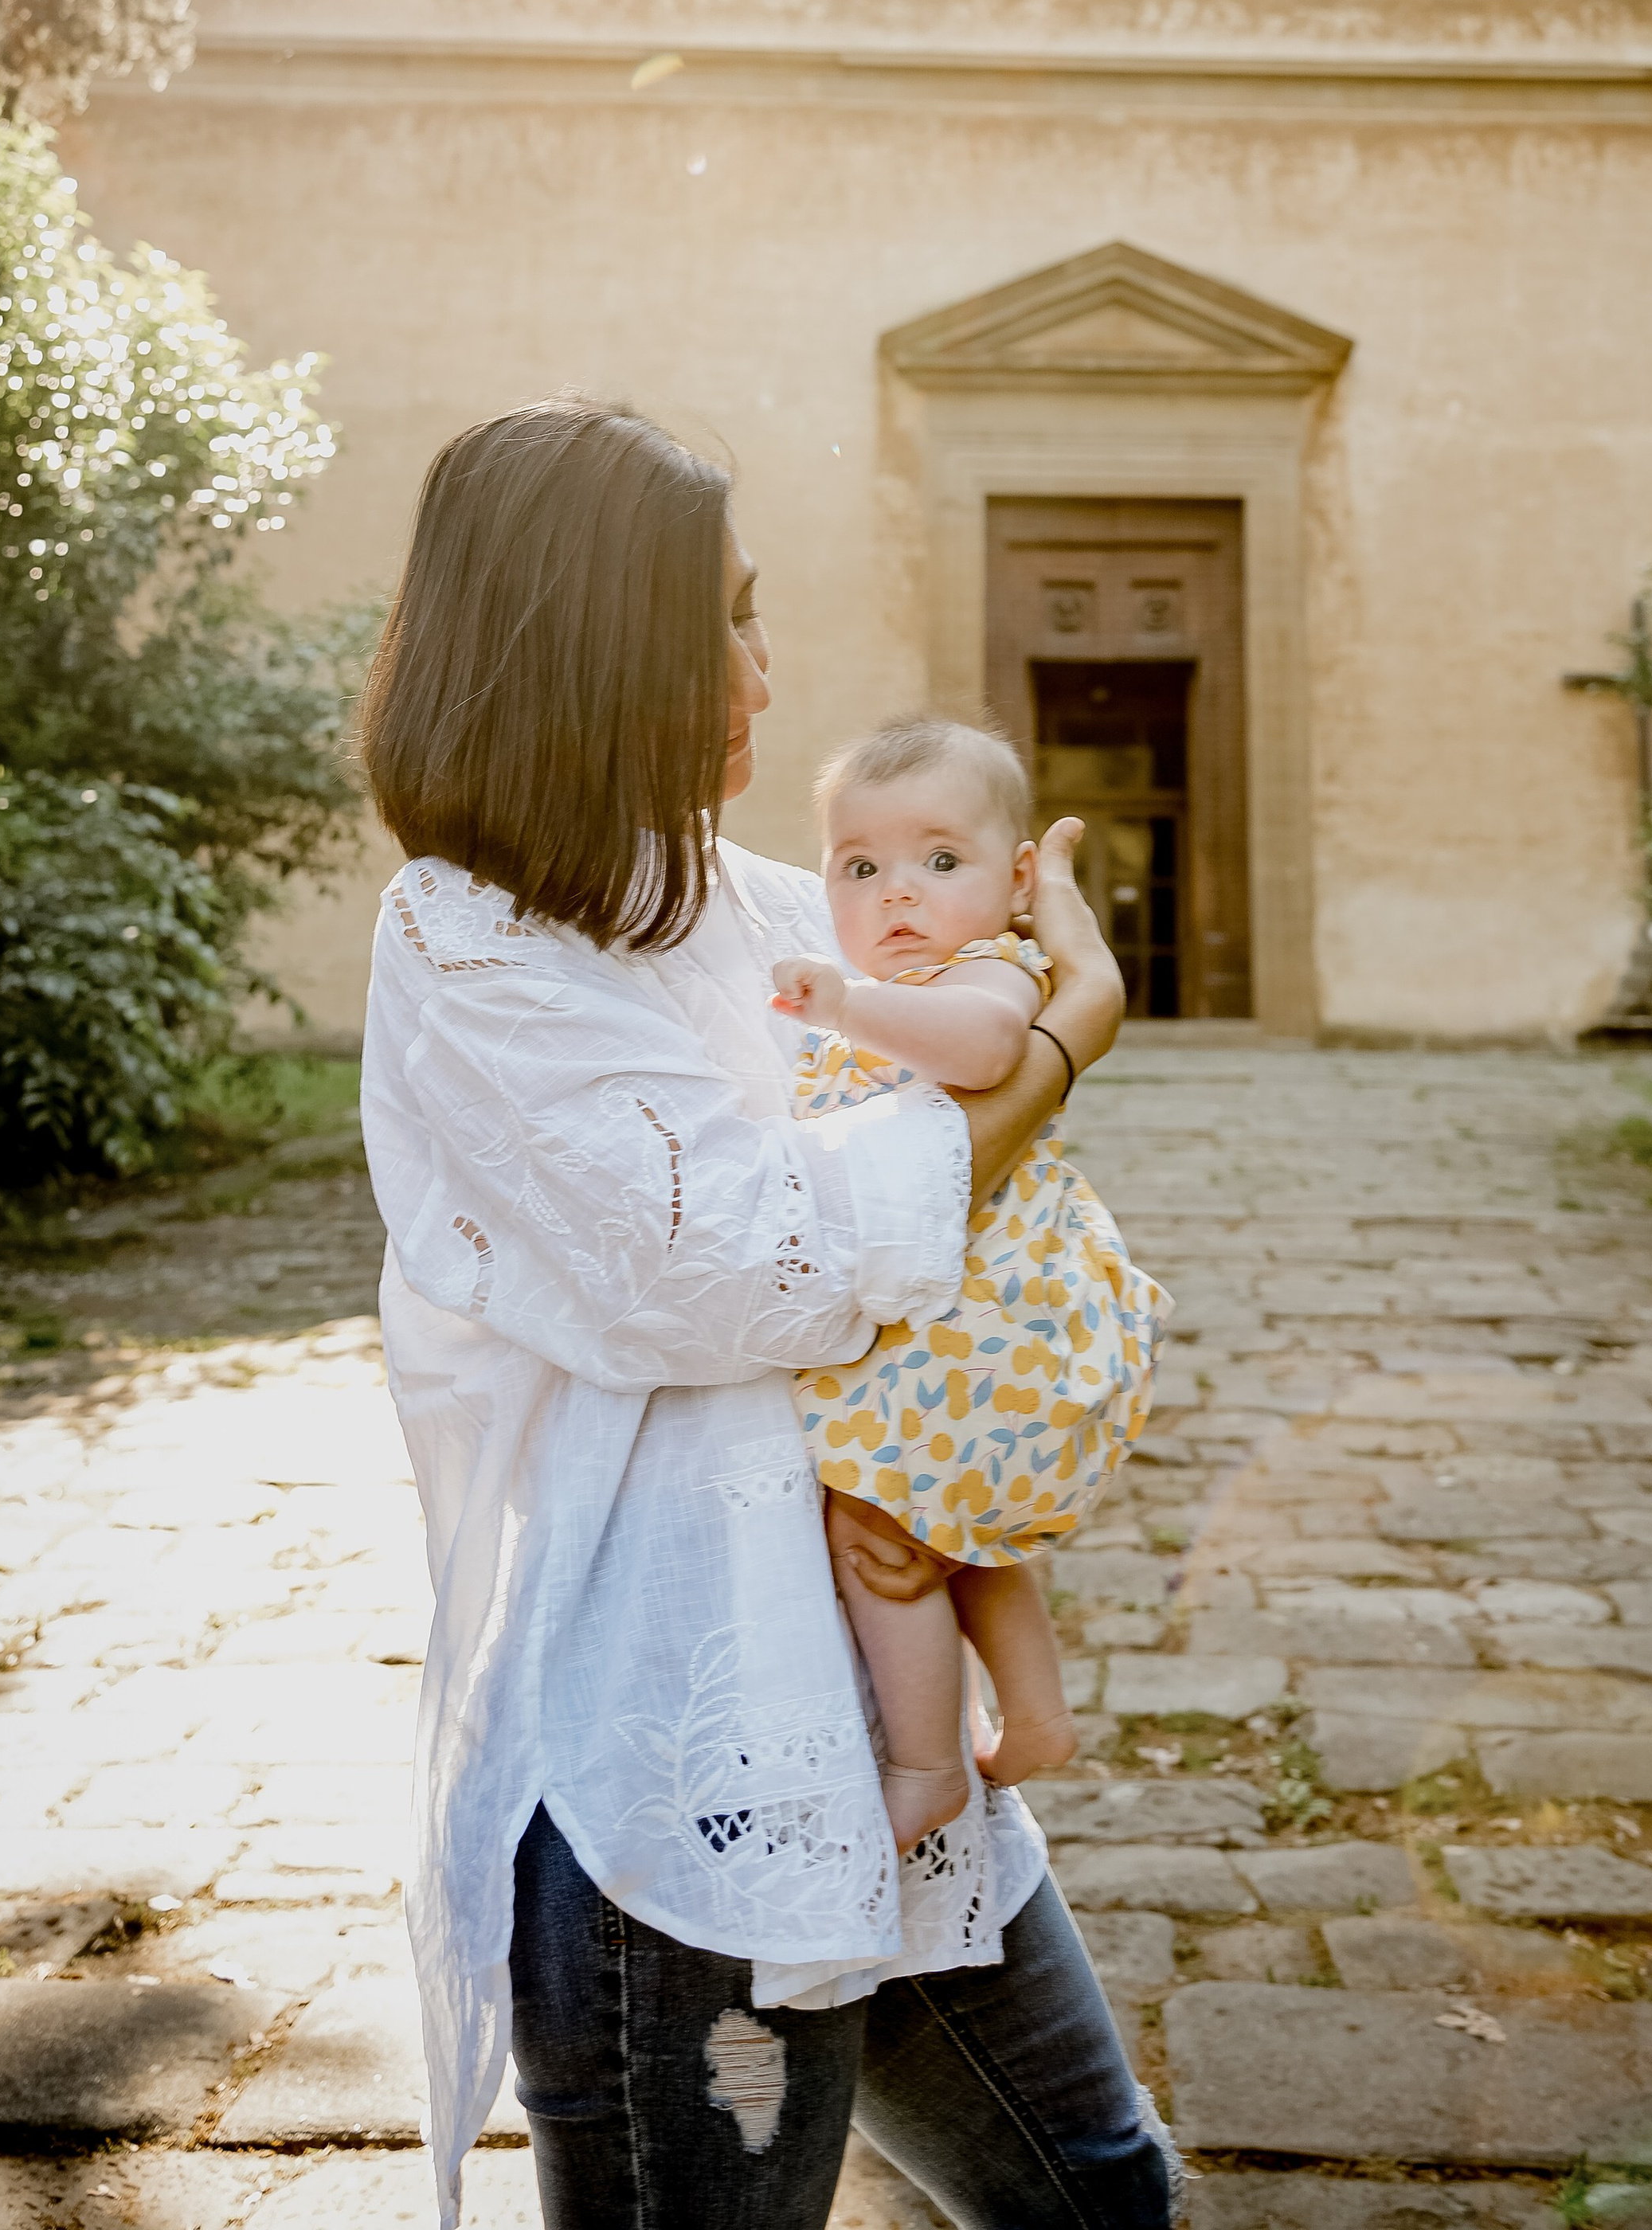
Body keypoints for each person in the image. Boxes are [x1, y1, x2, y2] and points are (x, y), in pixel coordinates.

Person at [355, 399, 1180, 2230]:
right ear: (590, 656)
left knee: (1100, 2196)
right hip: (682, 1753)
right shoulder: (466, 943)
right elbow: (743, 1267)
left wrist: (1023, 992)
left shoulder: (763, 901)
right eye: (718, 623)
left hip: (889, 1704)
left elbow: (962, 1034)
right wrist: (1065, 1040)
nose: (761, 671)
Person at [773, 716, 1169, 1852]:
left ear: (1019, 881)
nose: (898, 893)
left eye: (941, 860)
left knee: (874, 1523)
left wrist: (844, 1005)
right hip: (975, 1325)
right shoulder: (905, 981)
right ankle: (1035, 1717)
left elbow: (989, 1049)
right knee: (961, 1529)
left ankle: (927, 1765)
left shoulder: (984, 970)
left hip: (986, 1320)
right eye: (860, 868)